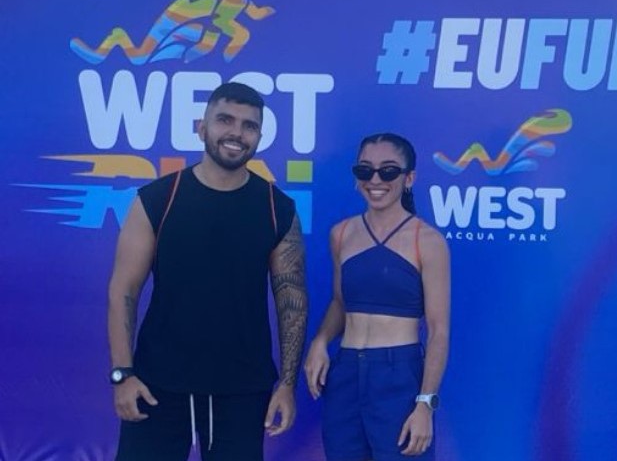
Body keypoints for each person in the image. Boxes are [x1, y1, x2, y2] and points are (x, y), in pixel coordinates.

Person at [108, 82, 307, 461]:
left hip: (242, 389)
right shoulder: (158, 199)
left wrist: (287, 384)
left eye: (249, 125)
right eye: (225, 120)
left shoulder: (277, 208)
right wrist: (122, 373)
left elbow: (292, 304)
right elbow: (123, 291)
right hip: (157, 384)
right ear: (202, 127)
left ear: (259, 136)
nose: (237, 133)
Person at [304, 133, 450, 460]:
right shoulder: (341, 234)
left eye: (388, 171)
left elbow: (439, 330)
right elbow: (340, 302)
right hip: (345, 376)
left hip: (399, 378)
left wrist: (425, 403)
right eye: (365, 170)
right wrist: (320, 341)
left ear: (408, 178)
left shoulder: (428, 241)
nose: (375, 180)